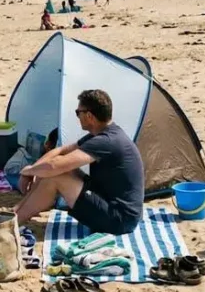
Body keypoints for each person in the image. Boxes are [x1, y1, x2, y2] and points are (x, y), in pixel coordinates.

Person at [16, 89, 144, 235]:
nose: (77, 116)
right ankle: (18, 211)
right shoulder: (104, 134)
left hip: (120, 220)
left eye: (78, 112)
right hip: (112, 204)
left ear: (89, 115)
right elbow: (61, 151)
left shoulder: (106, 141)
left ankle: (13, 221)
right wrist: (34, 169)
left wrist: (27, 171)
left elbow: (53, 167)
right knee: (55, 169)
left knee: (56, 174)